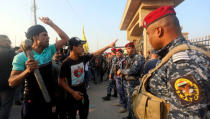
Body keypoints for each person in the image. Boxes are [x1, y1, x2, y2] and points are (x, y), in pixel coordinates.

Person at [134, 6, 210, 118]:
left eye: (149, 34)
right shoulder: (172, 55)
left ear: (158, 31)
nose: (149, 39)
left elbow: (188, 115)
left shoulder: (182, 63)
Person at [8, 17, 70, 119]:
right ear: (35, 37)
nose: (48, 38)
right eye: (44, 35)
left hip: (49, 98)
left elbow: (66, 39)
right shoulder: (21, 57)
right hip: (32, 101)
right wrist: (27, 71)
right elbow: (11, 82)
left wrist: (51, 24)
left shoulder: (49, 50)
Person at [58, 37, 117, 119]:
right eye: (80, 46)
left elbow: (97, 52)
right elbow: (60, 81)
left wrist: (109, 46)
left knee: (84, 114)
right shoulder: (66, 63)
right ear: (74, 47)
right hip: (71, 97)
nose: (82, 48)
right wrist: (73, 93)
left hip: (83, 94)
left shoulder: (83, 58)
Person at [117, 42, 145, 119]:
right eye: (126, 49)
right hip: (127, 83)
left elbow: (134, 70)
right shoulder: (129, 58)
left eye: (129, 48)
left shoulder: (139, 57)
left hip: (134, 83)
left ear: (133, 48)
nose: (127, 50)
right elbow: (126, 68)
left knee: (133, 103)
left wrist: (121, 71)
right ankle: (130, 116)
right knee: (129, 102)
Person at [0, 35, 16, 119]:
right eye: (6, 40)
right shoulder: (9, 52)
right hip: (6, 83)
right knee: (5, 106)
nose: (9, 42)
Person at [112, 48, 127, 113]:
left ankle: (124, 106)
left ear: (122, 53)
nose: (117, 54)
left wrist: (121, 72)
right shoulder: (117, 59)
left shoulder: (125, 60)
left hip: (122, 78)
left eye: (118, 53)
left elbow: (127, 69)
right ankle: (121, 102)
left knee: (122, 92)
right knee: (119, 91)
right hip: (117, 77)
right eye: (116, 53)